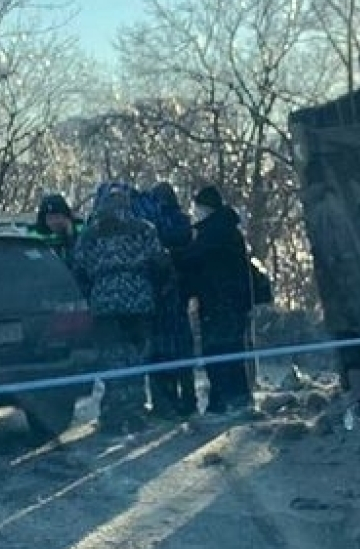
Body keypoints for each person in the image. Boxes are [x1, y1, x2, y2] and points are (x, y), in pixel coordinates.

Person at [71, 182, 164, 434]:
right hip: (139, 302)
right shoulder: (145, 229)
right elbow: (159, 263)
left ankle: (112, 413)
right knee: (137, 356)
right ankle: (135, 412)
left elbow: (78, 267)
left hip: (104, 303)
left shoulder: (91, 233)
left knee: (110, 358)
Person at [175, 185, 255, 417]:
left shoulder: (214, 232)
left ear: (205, 207)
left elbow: (193, 257)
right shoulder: (227, 230)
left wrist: (172, 256)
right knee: (230, 349)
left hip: (219, 302)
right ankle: (234, 399)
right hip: (229, 301)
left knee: (218, 351)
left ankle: (225, 402)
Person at [140, 182, 198, 419]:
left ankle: (165, 403)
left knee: (159, 351)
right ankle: (189, 400)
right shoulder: (183, 221)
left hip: (160, 294)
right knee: (182, 350)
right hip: (179, 292)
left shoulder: (152, 225)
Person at [29, 193, 83, 268]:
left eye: (57, 217)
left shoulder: (82, 230)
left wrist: (71, 234)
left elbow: (79, 259)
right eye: (49, 218)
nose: (54, 222)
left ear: (66, 216)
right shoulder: (33, 235)